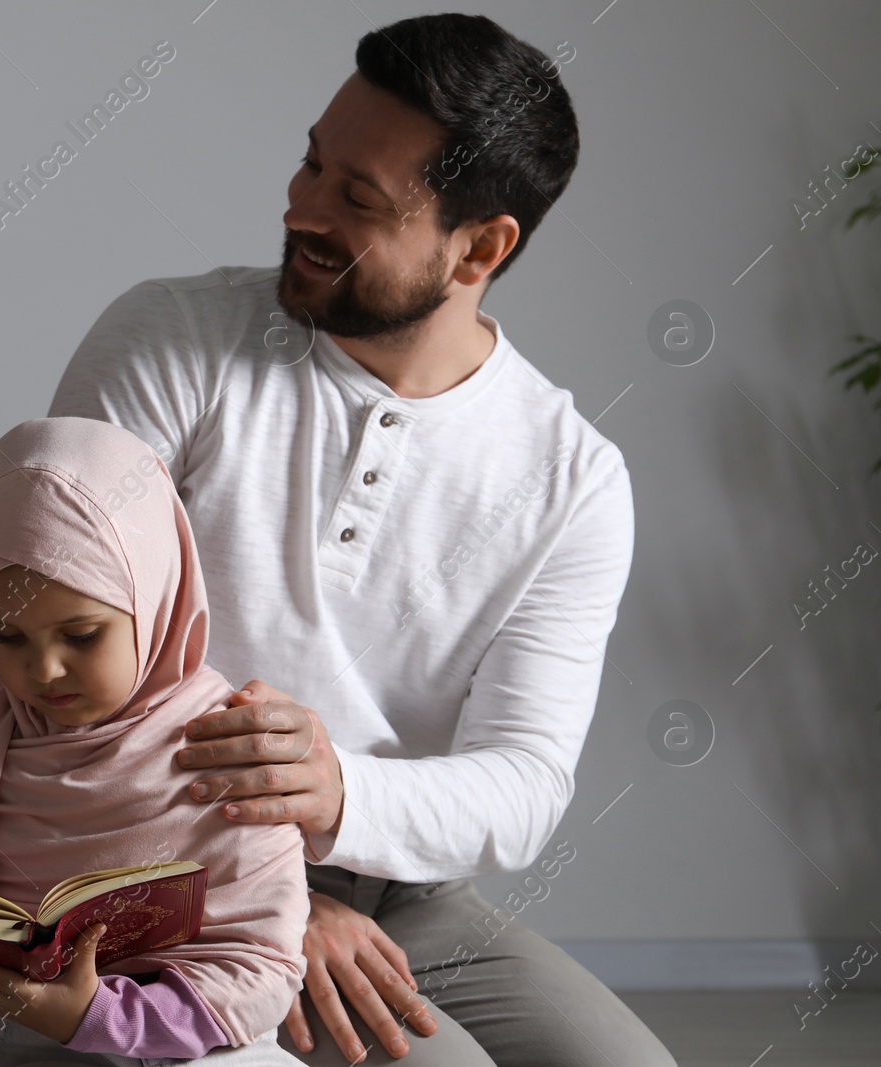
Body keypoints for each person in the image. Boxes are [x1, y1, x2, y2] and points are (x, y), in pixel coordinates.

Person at [48, 13, 678, 1067]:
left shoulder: (571, 477)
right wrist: (268, 889)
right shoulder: (169, 344)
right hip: (154, 860)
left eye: (358, 198)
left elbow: (521, 783)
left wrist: (340, 791)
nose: (300, 208)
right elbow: (55, 672)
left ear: (480, 248)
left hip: (403, 890)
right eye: (310, 161)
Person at [0, 417, 311, 1067]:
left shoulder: (231, 745)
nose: (45, 670)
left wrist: (102, 1016)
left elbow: (265, 965)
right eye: (7, 637)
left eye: (82, 634)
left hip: (202, 1046)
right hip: (18, 1045)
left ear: (154, 596)